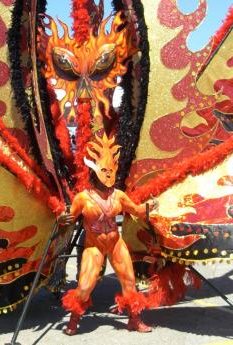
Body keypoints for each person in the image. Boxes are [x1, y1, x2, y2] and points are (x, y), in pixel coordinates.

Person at [58, 134, 158, 335]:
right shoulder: (83, 198)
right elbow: (67, 218)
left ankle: (135, 320)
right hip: (93, 245)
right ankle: (74, 319)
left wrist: (149, 206)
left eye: (111, 170)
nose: (108, 174)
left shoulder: (119, 195)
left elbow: (136, 211)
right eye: (104, 170)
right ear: (95, 171)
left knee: (129, 283)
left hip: (115, 243)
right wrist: (62, 219)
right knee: (85, 286)